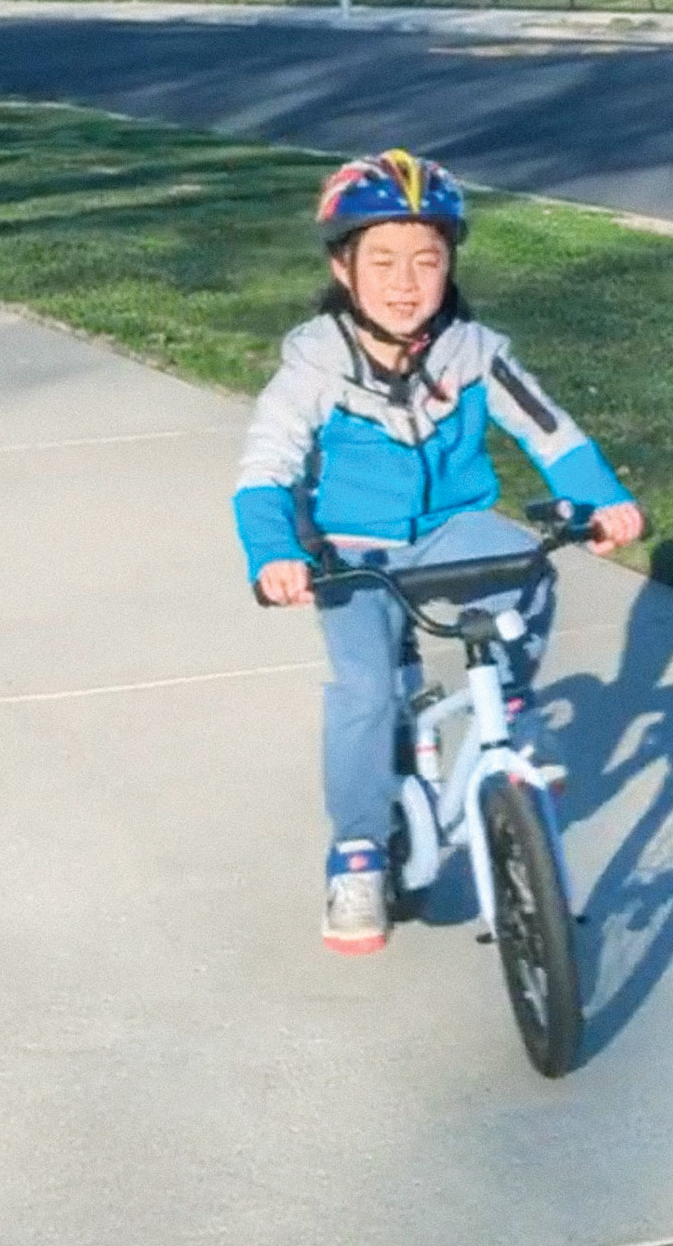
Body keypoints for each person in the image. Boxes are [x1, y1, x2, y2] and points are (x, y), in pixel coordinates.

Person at [234, 150, 644, 955]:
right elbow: (267, 465)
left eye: (427, 260)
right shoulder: (315, 364)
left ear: (451, 264)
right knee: (366, 690)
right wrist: (273, 551)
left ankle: (515, 714)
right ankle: (355, 853)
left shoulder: (475, 353)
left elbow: (550, 432)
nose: (404, 281)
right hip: (351, 547)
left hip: (453, 527)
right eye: (381, 261)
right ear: (341, 266)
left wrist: (604, 499)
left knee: (525, 569)